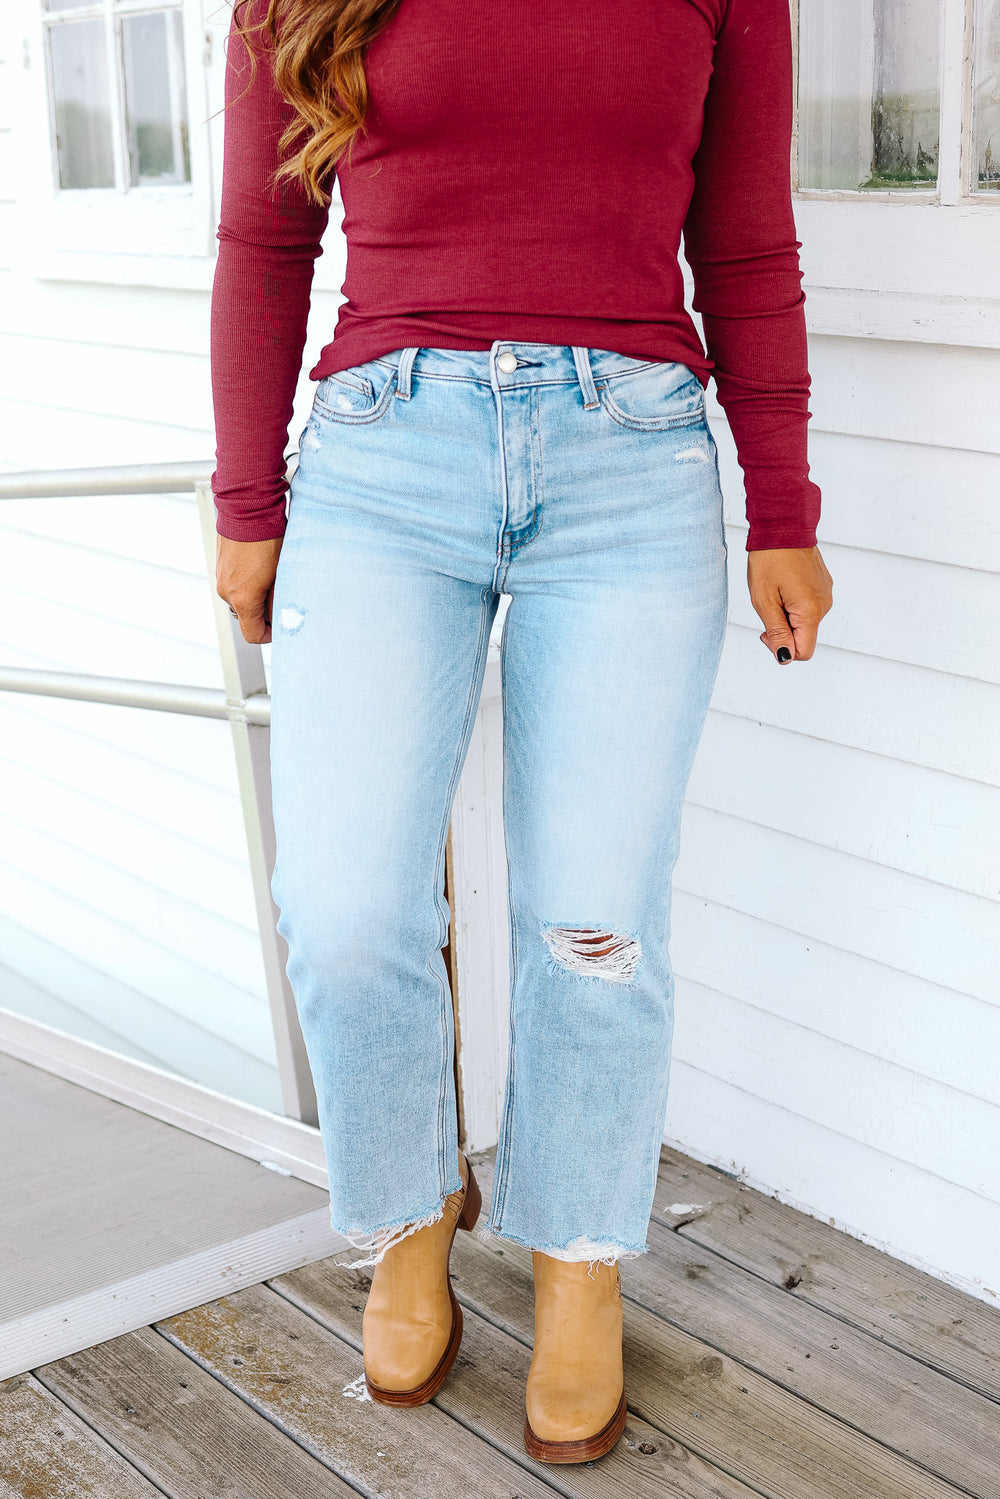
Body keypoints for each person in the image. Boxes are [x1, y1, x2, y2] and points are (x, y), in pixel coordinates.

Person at [211, 0, 834, 1465]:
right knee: (346, 905)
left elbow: (746, 243)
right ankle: (410, 1211)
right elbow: (263, 240)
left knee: (594, 920)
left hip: (633, 459)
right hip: (382, 453)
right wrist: (247, 499)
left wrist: (784, 506)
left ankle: (577, 1253)